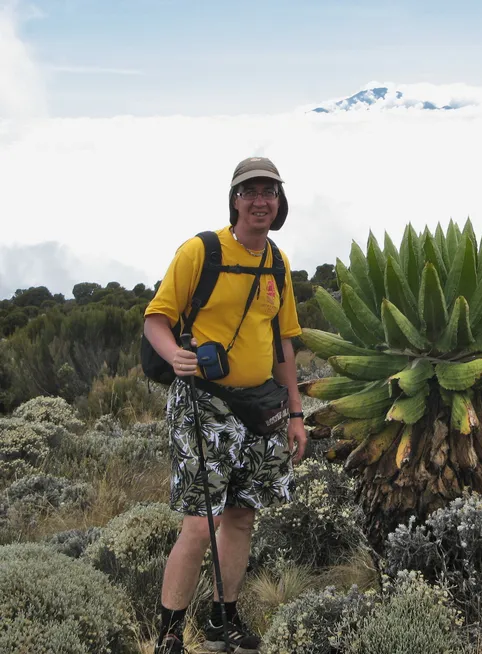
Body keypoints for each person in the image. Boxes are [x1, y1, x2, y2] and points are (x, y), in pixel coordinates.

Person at [143, 156, 307, 654]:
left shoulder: (276, 262)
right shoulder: (201, 251)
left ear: (280, 203)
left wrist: (296, 413)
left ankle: (222, 620)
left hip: (259, 408)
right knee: (200, 521)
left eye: (269, 192)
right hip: (203, 404)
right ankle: (170, 632)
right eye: (250, 191)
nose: (260, 200)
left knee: (240, 516)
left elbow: (283, 345)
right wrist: (176, 357)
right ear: (234, 199)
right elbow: (156, 319)